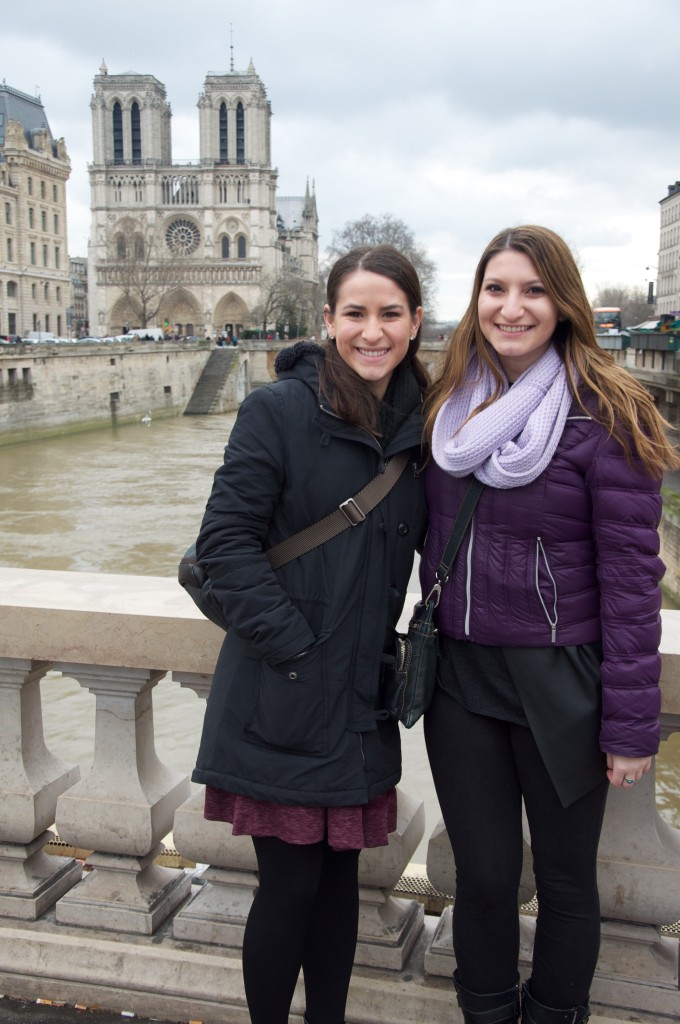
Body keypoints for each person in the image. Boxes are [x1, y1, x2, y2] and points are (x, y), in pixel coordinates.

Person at [420, 225, 678, 1024]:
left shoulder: (610, 416)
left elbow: (636, 584)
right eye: (496, 289)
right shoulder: (449, 407)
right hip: (460, 677)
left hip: (560, 683)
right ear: (476, 300)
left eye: (533, 290)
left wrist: (632, 725)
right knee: (485, 878)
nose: (512, 307)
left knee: (567, 882)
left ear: (563, 303)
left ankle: (555, 1014)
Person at [191, 244, 429, 1024]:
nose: (372, 330)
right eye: (355, 313)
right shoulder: (280, 410)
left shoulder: (425, 427)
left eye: (389, 314)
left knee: (338, 888)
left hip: (360, 699)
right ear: (327, 321)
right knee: (290, 888)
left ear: (415, 322)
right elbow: (224, 543)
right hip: (282, 693)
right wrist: (296, 649)